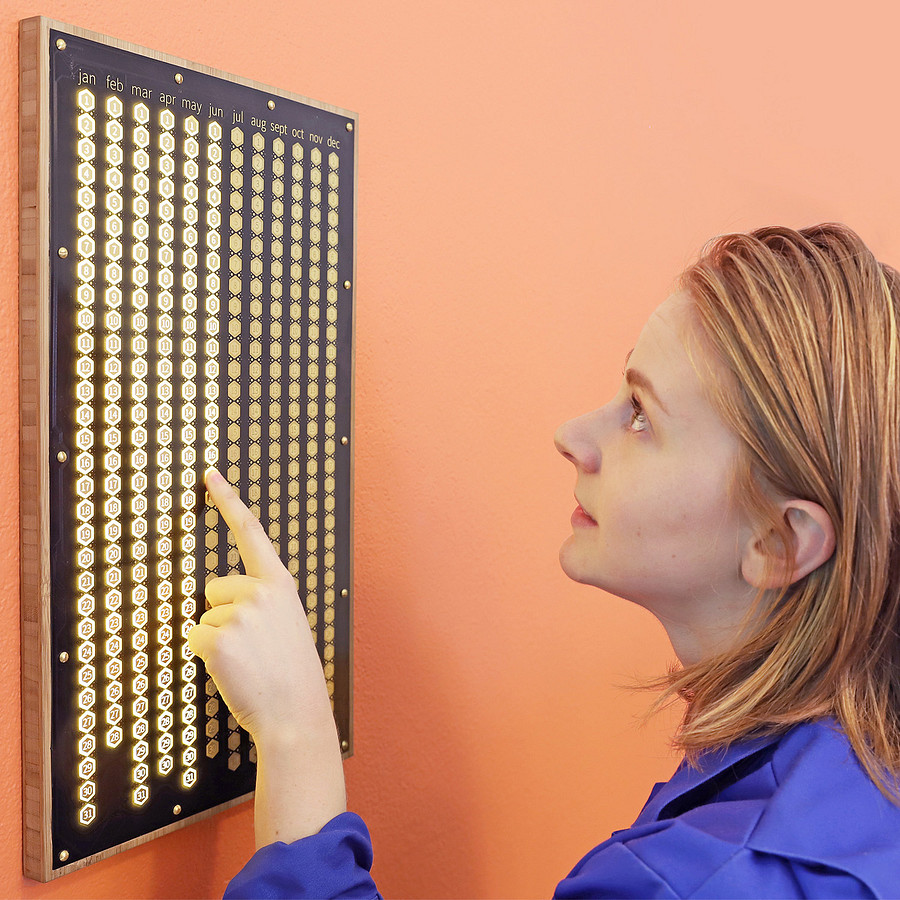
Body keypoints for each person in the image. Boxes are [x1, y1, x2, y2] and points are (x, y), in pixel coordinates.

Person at [189, 224, 900, 898]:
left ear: (778, 542)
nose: (573, 436)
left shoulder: (701, 881)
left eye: (642, 416)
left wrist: (295, 735)